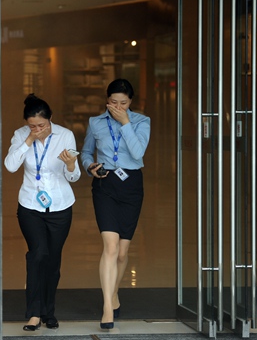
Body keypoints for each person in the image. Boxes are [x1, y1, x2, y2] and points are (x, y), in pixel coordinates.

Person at [4, 94, 81, 331]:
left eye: (42, 125)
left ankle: (49, 312)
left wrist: (70, 165)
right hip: (30, 206)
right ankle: (34, 313)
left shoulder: (65, 135)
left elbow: (74, 175)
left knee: (52, 259)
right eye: (32, 125)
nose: (38, 129)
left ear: (51, 120)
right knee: (37, 254)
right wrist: (28, 140)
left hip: (60, 206)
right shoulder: (20, 135)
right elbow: (10, 165)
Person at [80, 78, 151, 330]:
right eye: (113, 102)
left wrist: (125, 124)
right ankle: (107, 307)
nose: (117, 106)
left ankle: (114, 292)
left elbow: (138, 152)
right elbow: (87, 152)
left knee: (122, 253)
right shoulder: (95, 123)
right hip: (105, 184)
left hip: (131, 186)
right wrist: (89, 166)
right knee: (110, 247)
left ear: (130, 102)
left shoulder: (142, 122)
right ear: (106, 100)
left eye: (123, 103)